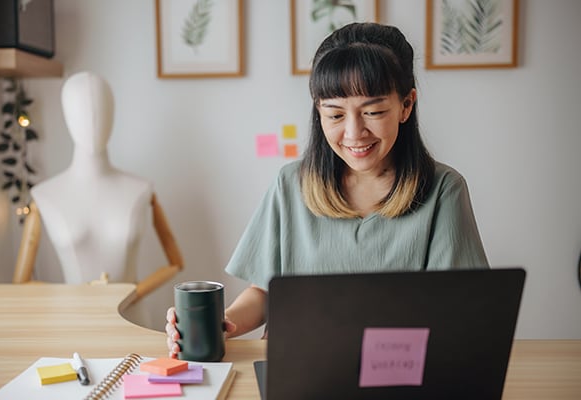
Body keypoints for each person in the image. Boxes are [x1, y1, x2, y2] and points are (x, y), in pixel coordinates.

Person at [165, 22, 488, 357]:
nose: (354, 133)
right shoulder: (290, 185)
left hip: (396, 373)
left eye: (373, 112)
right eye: (334, 115)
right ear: (318, 112)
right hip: (299, 371)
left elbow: (458, 312)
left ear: (406, 105)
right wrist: (223, 322)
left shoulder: (443, 190)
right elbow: (265, 293)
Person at [15, 71, 184, 301]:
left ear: (112, 114)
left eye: (101, 111)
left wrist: (134, 292)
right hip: (74, 324)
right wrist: (76, 294)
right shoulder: (44, 195)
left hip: (132, 320)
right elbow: (21, 280)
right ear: (67, 116)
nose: (93, 120)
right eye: (81, 113)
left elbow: (175, 262)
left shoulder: (142, 189)